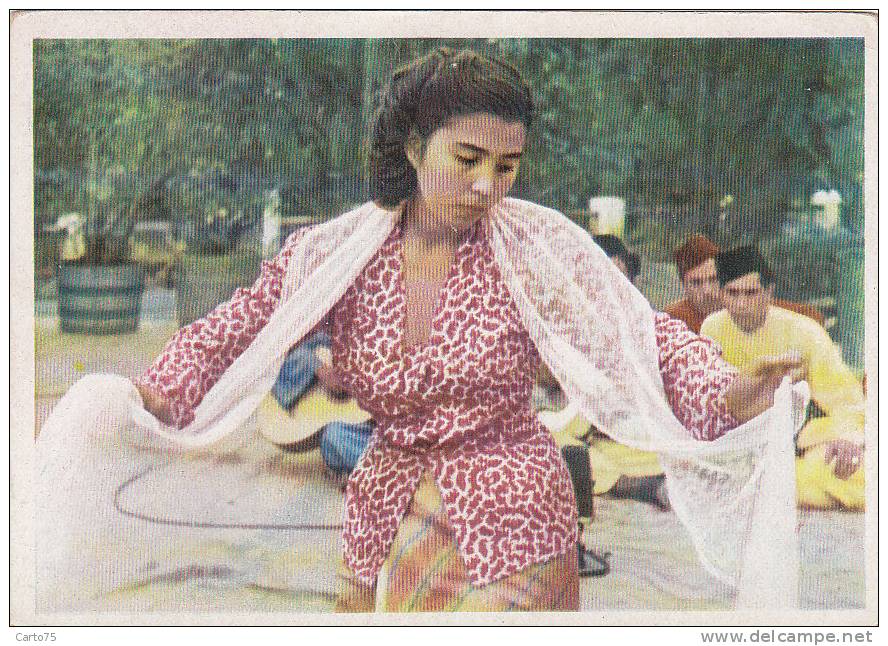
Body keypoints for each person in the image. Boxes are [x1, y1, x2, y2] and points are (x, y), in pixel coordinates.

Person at [41, 48, 805, 614]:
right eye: (467, 159)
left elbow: (643, 336)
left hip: (515, 514)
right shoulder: (342, 252)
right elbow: (248, 318)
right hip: (387, 514)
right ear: (413, 148)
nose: (487, 186)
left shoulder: (534, 247)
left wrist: (731, 391)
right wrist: (162, 390)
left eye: (507, 167)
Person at [700, 245, 865, 510]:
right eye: (732, 293)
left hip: (796, 445)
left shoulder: (805, 331)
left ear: (768, 292)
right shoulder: (712, 327)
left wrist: (847, 438)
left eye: (751, 293)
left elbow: (845, 400)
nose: (741, 304)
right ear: (721, 294)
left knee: (856, 477)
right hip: (735, 445)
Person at [667, 234, 824, 334]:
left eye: (713, 279)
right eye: (696, 283)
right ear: (683, 285)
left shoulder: (743, 303)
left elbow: (812, 316)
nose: (707, 291)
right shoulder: (674, 318)